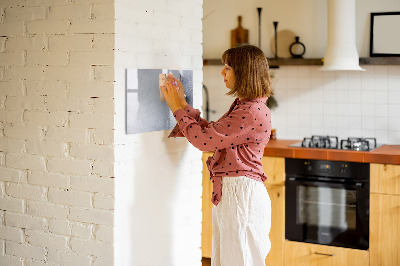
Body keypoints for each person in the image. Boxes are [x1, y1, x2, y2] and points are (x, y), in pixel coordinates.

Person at [161, 44, 273, 266]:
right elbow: (212, 133)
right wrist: (182, 104)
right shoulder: (246, 106)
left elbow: (204, 141)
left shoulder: (250, 111)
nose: (222, 72)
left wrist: (176, 107)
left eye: (228, 67)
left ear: (244, 72)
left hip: (241, 195)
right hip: (236, 193)